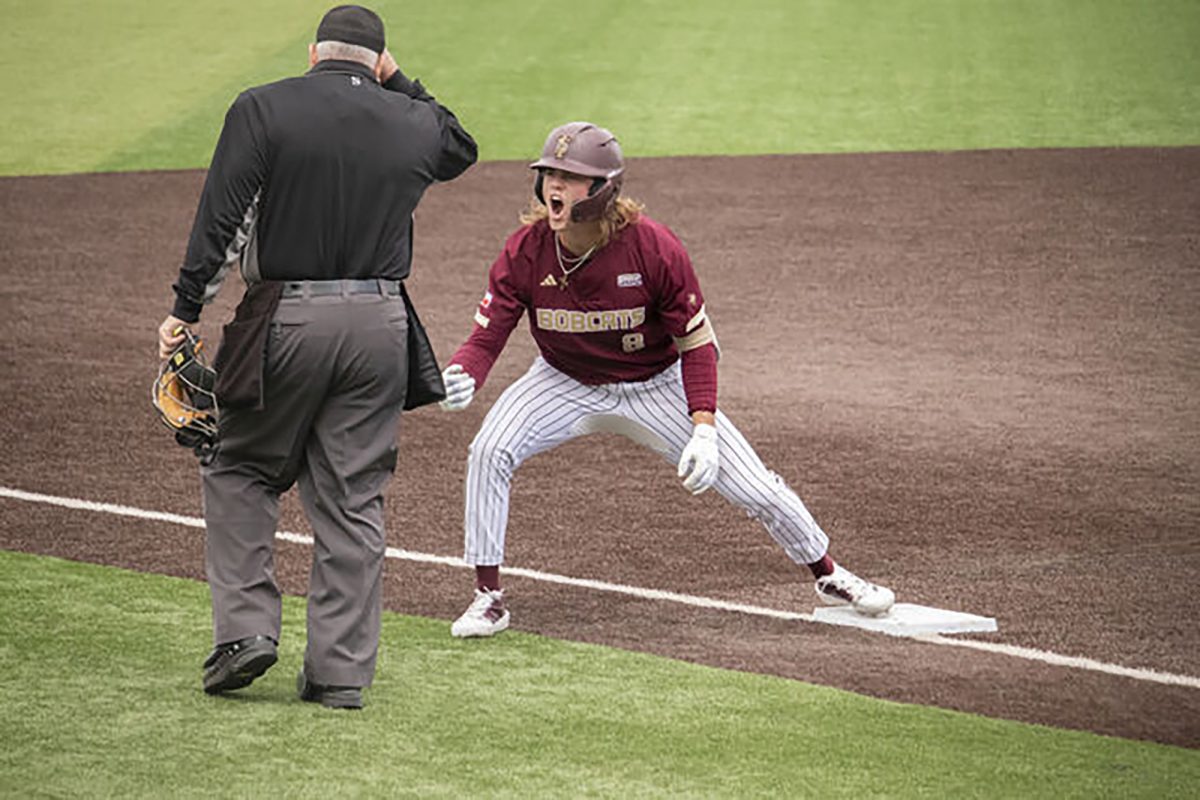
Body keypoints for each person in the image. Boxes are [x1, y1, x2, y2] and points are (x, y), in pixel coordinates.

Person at [437, 121, 894, 638]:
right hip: (561, 380)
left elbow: (696, 344)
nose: (554, 188)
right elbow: (489, 330)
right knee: (489, 450)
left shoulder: (653, 249)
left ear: (603, 189)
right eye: (549, 175)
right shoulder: (527, 248)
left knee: (755, 489)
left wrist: (702, 426)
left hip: (656, 384)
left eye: (570, 177)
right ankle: (488, 597)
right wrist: (466, 373)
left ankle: (829, 574)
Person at [157, 5, 477, 707]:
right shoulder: (412, 121)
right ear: (377, 62)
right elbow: (460, 146)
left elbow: (221, 216)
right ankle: (339, 675)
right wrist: (399, 82)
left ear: (313, 53)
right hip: (383, 324)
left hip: (286, 318)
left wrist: (184, 313)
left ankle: (246, 633)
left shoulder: (263, 108)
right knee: (353, 496)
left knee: (238, 462)